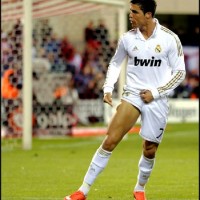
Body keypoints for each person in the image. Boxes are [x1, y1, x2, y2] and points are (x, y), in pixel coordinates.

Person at [64, 0, 186, 199]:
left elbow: (180, 73)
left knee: (149, 149)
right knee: (110, 140)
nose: (130, 15)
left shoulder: (170, 39)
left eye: (134, 12)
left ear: (148, 14)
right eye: (130, 11)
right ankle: (83, 190)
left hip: (157, 99)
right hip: (133, 95)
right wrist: (108, 87)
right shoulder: (127, 38)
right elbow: (115, 63)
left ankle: (139, 188)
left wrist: (155, 92)